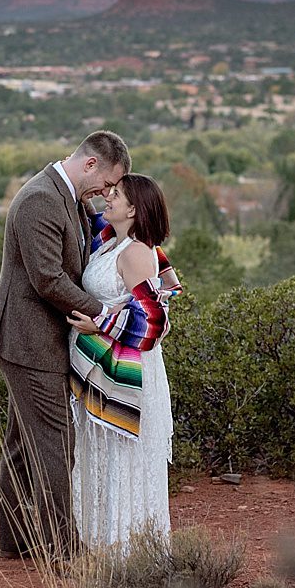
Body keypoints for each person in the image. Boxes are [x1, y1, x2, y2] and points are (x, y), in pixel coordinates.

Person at [0, 130, 130, 561]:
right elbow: (48, 278)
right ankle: (62, 551)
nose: (106, 193)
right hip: (28, 341)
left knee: (23, 443)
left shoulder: (70, 198)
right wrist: (106, 315)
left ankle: (15, 540)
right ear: (89, 165)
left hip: (38, 340)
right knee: (55, 443)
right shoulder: (39, 200)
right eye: (106, 183)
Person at [66, 173, 182, 553]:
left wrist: (99, 321)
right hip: (104, 369)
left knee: (123, 461)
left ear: (133, 209)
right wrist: (79, 185)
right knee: (103, 457)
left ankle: (128, 551)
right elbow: (94, 220)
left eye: (115, 195)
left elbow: (153, 321)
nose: (108, 198)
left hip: (129, 376)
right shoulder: (111, 243)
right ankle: (103, 544)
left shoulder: (135, 253)